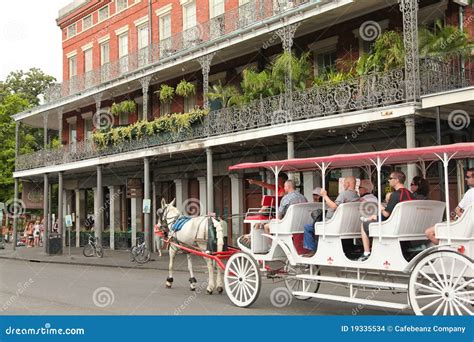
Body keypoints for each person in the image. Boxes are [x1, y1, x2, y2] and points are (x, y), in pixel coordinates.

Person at [359, 170, 413, 261]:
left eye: (390, 178)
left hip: (394, 226)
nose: (388, 181)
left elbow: (386, 215)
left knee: (364, 224)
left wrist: (380, 208)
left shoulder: (396, 195)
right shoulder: (411, 194)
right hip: (407, 225)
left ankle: (366, 252)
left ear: (396, 180)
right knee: (372, 219)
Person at [302, 177, 359, 257]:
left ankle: (313, 250)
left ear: (348, 184)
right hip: (346, 224)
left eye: (344, 182)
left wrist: (325, 196)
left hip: (333, 224)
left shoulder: (344, 194)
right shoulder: (356, 195)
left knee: (308, 227)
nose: (343, 184)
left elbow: (334, 206)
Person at [425, 167, 474, 245]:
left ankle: (446, 248)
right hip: (469, 229)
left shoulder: (470, 192)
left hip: (462, 227)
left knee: (429, 232)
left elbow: (457, 210)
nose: (465, 179)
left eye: (468, 177)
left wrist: (464, 219)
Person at [302, 187, 323, 256]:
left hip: (320, 224)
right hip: (318, 223)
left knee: (307, 227)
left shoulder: (322, 204)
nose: (314, 196)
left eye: (316, 195)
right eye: (314, 195)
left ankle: (312, 249)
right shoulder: (312, 204)